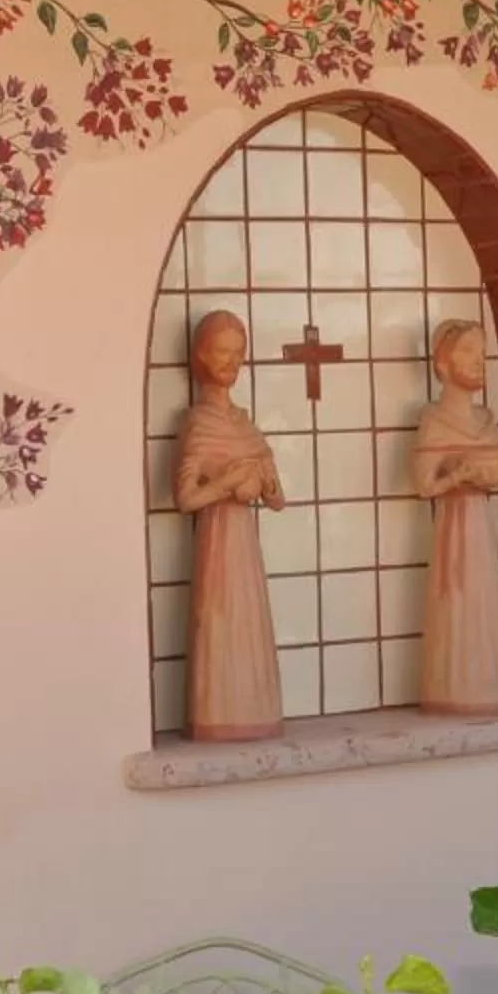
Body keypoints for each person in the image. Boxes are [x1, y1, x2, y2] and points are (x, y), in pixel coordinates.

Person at [174, 310, 288, 740]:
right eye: (223, 352)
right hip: (216, 544)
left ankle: (255, 708)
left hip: (246, 547)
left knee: (249, 625)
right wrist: (226, 482)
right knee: (219, 624)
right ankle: (218, 713)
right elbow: (185, 498)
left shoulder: (245, 423)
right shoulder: (197, 422)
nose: (232, 362)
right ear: (201, 355)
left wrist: (265, 482)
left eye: (239, 353)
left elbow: (278, 499)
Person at [410, 318, 498, 717]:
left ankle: (492, 685)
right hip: (453, 535)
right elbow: (424, 485)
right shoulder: (434, 422)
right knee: (456, 607)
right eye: (468, 351)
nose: (479, 361)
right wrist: (459, 476)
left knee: (488, 607)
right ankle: (454, 689)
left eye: (482, 352)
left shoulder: (488, 421)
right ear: (442, 364)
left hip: (482, 535)